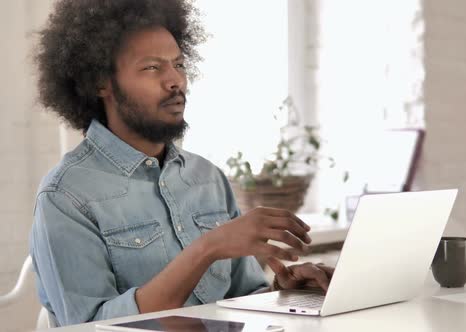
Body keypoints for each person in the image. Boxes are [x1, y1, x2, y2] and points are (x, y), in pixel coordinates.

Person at [30, 0, 334, 327]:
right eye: (152, 67)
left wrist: (283, 292)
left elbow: (244, 298)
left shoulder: (207, 178)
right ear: (101, 82)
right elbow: (89, 327)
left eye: (178, 64)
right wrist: (208, 248)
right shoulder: (66, 196)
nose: (175, 81)